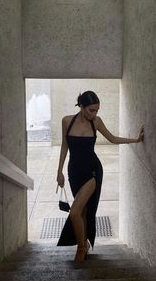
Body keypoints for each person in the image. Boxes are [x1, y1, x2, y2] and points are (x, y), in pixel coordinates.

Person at [56, 90, 144, 263]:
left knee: (74, 213)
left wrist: (135, 140)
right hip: (74, 172)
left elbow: (112, 139)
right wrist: (59, 171)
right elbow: (64, 146)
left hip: (92, 172)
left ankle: (82, 247)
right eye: (91, 110)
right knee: (82, 211)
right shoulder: (67, 121)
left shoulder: (96, 122)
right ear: (81, 106)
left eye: (97, 110)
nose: (94, 114)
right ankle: (84, 244)